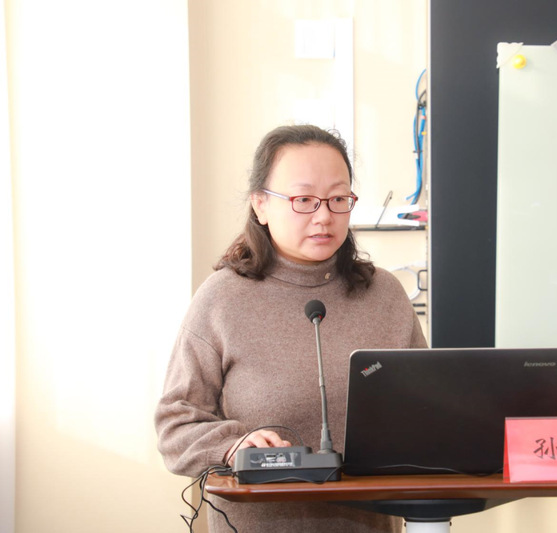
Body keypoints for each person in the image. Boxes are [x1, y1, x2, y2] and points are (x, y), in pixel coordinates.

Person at [155, 124, 428, 532]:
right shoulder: (222, 298)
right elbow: (175, 423)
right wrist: (232, 446)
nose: (324, 216)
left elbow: (427, 410)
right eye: (304, 200)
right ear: (260, 205)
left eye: (338, 199)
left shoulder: (384, 294)